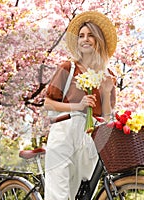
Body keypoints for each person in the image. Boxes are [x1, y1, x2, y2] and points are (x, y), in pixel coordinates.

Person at [44, 11, 117, 199]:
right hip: (64, 132)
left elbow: (108, 118)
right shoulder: (68, 68)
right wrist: (78, 106)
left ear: (99, 40)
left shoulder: (107, 75)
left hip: (90, 139)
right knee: (58, 193)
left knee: (81, 193)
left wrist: (107, 91)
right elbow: (48, 103)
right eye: (81, 36)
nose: (85, 40)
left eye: (90, 35)